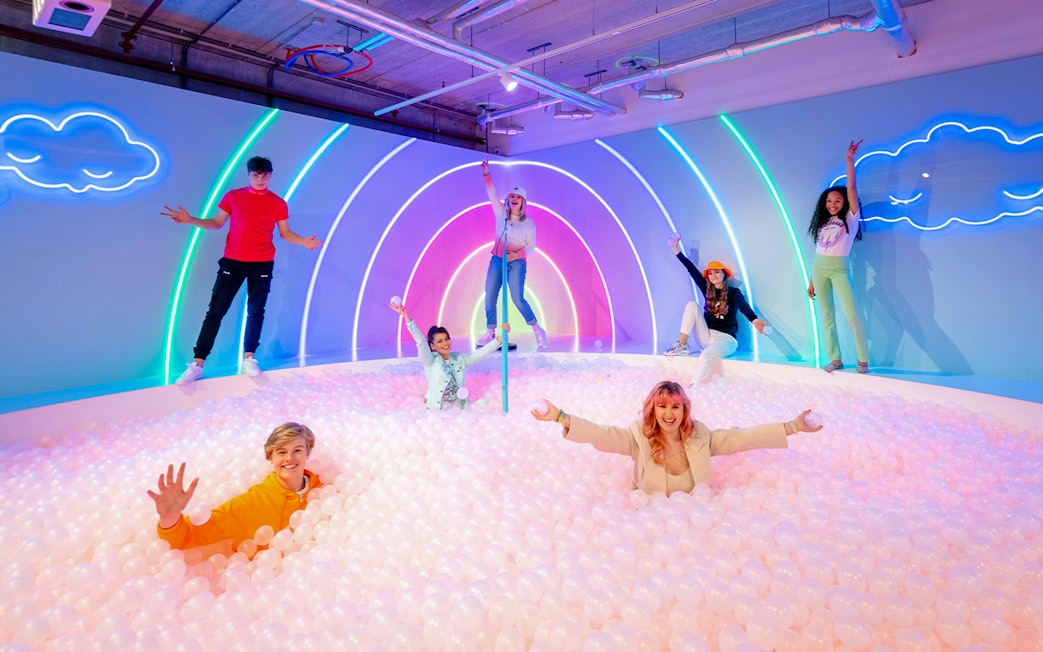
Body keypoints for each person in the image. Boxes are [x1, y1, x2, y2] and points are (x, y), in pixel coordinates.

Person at [163, 156, 323, 384]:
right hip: (233, 262)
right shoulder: (233, 196)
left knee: (256, 311)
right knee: (215, 312)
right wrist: (190, 220)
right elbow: (217, 223)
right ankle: (198, 364)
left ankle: (249, 358)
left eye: (265, 175)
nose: (260, 179)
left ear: (270, 176)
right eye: (256, 175)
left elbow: (285, 233)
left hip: (262, 263)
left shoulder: (278, 203)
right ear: (249, 175)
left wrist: (304, 241)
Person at [532, 380, 820, 495]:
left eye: (675, 407)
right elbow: (601, 435)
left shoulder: (699, 436)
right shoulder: (638, 436)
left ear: (685, 411)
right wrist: (560, 417)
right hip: (649, 520)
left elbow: (742, 438)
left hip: (694, 520)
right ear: (653, 410)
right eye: (662, 407)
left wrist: (792, 427)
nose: (669, 414)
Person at [147, 422, 322, 560]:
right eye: (282, 452)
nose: (290, 458)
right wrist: (169, 516)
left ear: (307, 453)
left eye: (297, 450)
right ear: (271, 458)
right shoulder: (251, 504)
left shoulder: (323, 491)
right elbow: (185, 538)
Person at [662, 238, 771, 385]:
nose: (713, 276)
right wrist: (676, 250)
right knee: (692, 305)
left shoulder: (733, 292)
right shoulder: (707, 290)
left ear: (724, 274)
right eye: (711, 273)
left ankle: (694, 387)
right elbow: (692, 270)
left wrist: (754, 319)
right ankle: (682, 344)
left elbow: (742, 305)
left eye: (717, 272)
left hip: (726, 340)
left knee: (705, 356)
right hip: (707, 336)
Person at [807, 140, 870, 373]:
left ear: (845, 202)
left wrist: (849, 160)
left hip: (839, 269)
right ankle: (835, 359)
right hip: (819, 269)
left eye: (837, 200)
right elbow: (819, 251)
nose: (832, 204)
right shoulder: (823, 222)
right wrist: (811, 280)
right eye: (829, 201)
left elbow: (851, 187)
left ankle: (863, 360)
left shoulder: (851, 218)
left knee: (852, 315)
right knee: (826, 316)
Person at [476, 157, 547, 349]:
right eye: (512, 196)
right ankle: (490, 332)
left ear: (523, 201)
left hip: (516, 262)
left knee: (517, 298)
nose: (514, 199)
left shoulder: (528, 223)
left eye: (518, 197)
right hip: (497, 259)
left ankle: (537, 329)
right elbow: (492, 193)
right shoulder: (500, 212)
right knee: (490, 295)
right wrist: (486, 173)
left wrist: (517, 255)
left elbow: (531, 246)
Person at [389, 301, 508, 409]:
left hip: (457, 408)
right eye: (440, 341)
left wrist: (498, 340)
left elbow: (478, 354)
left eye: (447, 339)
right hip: (437, 408)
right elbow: (420, 342)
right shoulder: (430, 361)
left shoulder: (458, 359)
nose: (445, 343)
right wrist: (406, 317)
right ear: (432, 346)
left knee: (484, 403)